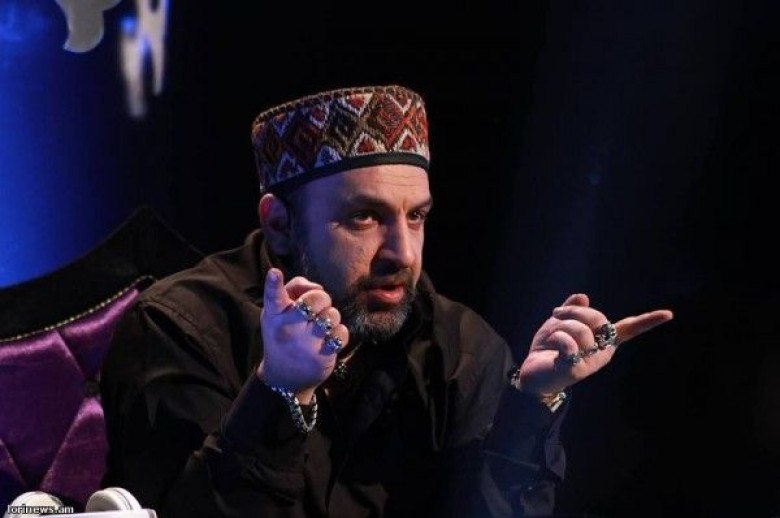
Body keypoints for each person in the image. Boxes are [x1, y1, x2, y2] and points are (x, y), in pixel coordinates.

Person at [100, 85, 673, 517]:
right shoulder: (179, 331)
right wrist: (279, 392)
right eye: (364, 217)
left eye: (416, 217)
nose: (402, 252)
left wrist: (530, 403)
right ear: (279, 225)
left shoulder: (459, 347)